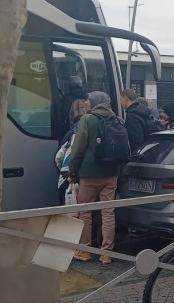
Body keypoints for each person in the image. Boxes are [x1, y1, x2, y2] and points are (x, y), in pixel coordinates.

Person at [69, 91, 122, 264]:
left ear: (94, 102)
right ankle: (106, 252)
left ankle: (85, 251)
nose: (86, 103)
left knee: (85, 212)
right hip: (111, 173)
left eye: (88, 101)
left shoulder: (87, 120)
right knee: (108, 213)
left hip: (89, 173)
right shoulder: (118, 120)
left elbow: (77, 149)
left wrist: (72, 172)